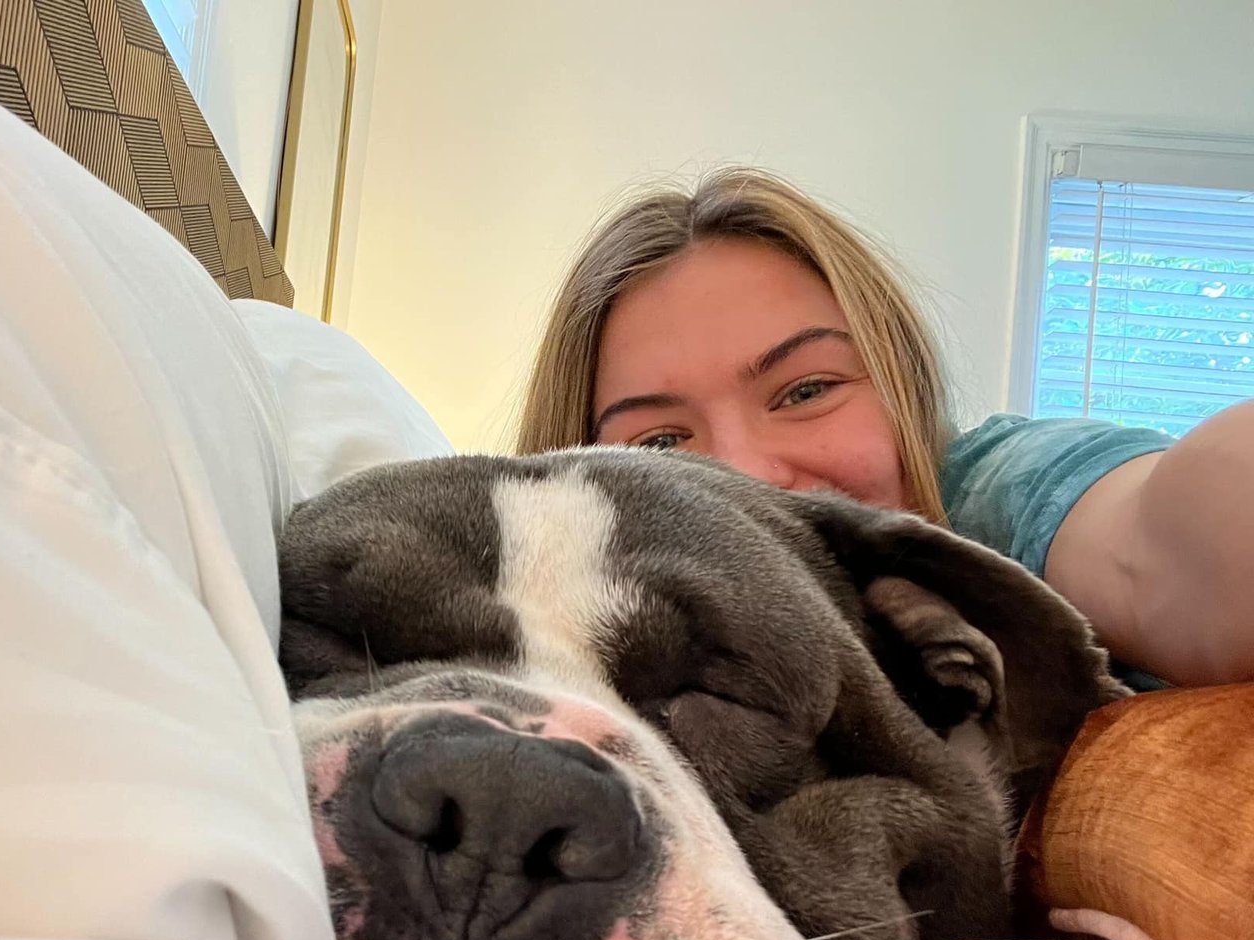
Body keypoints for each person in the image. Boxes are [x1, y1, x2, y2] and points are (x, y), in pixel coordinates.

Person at [515, 167, 1254, 689]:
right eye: (661, 443)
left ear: (902, 389)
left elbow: (1164, 548)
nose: (747, 476)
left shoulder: (989, 500)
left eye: (806, 390)